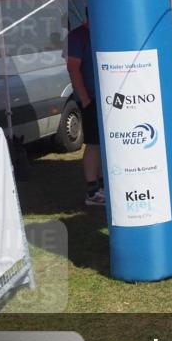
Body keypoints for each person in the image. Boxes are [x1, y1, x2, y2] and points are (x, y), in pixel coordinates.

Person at [65, 18, 103, 206]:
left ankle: (103, 187)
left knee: (104, 144)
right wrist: (86, 100)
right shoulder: (77, 36)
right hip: (90, 99)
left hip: (107, 98)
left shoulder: (102, 31)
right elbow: (73, 69)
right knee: (94, 144)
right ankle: (92, 191)